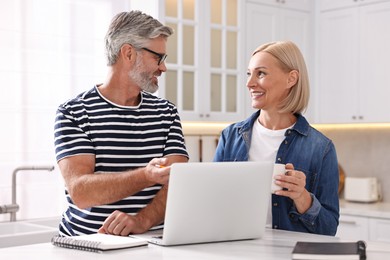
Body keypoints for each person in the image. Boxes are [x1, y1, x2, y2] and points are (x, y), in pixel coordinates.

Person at [54, 10, 189, 237]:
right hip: (87, 246)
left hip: (151, 245)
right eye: (158, 57)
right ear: (128, 53)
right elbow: (81, 192)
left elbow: (178, 182)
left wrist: (141, 221)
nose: (163, 67)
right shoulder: (74, 112)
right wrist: (145, 176)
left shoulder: (167, 113)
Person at [213, 41, 339, 236]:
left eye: (261, 73)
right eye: (249, 73)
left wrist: (302, 197)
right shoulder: (230, 136)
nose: (249, 83)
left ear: (291, 79)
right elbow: (212, 205)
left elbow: (329, 229)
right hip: (238, 251)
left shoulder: (321, 148)